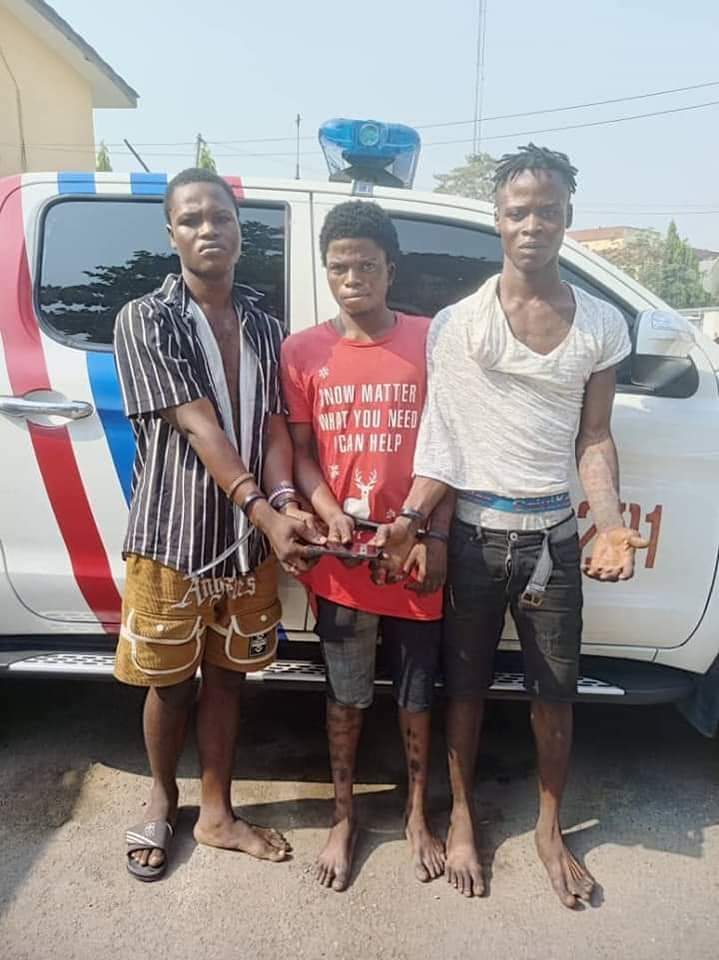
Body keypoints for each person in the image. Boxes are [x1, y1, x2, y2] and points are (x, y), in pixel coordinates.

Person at [373, 145, 649, 907]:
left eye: (547, 210)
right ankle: (462, 820)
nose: (532, 224)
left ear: (567, 216)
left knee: (554, 693)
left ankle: (548, 830)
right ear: (497, 220)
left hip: (553, 538)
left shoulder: (600, 323)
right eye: (517, 211)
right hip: (472, 536)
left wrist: (609, 523)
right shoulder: (458, 326)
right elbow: (443, 442)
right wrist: (410, 520)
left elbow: (593, 436)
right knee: (463, 688)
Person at [113, 167, 322, 881]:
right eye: (192, 219)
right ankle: (160, 797)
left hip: (247, 546)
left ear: (240, 229)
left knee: (231, 679)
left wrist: (285, 503)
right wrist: (266, 512)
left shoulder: (265, 326)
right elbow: (199, 425)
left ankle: (217, 812)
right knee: (170, 684)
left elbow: (273, 428)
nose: (209, 230)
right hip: (173, 538)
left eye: (221, 218)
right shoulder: (146, 319)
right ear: (170, 234)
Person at [281, 201, 453, 891]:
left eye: (366, 265)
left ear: (391, 268)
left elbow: (450, 443)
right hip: (343, 558)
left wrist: (429, 530)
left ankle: (416, 815)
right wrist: (326, 511)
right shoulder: (302, 351)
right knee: (345, 695)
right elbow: (299, 450)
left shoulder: (430, 339)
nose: (352, 278)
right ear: (325, 271)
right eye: (338, 266)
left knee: (416, 694)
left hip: (412, 549)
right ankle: (343, 817)